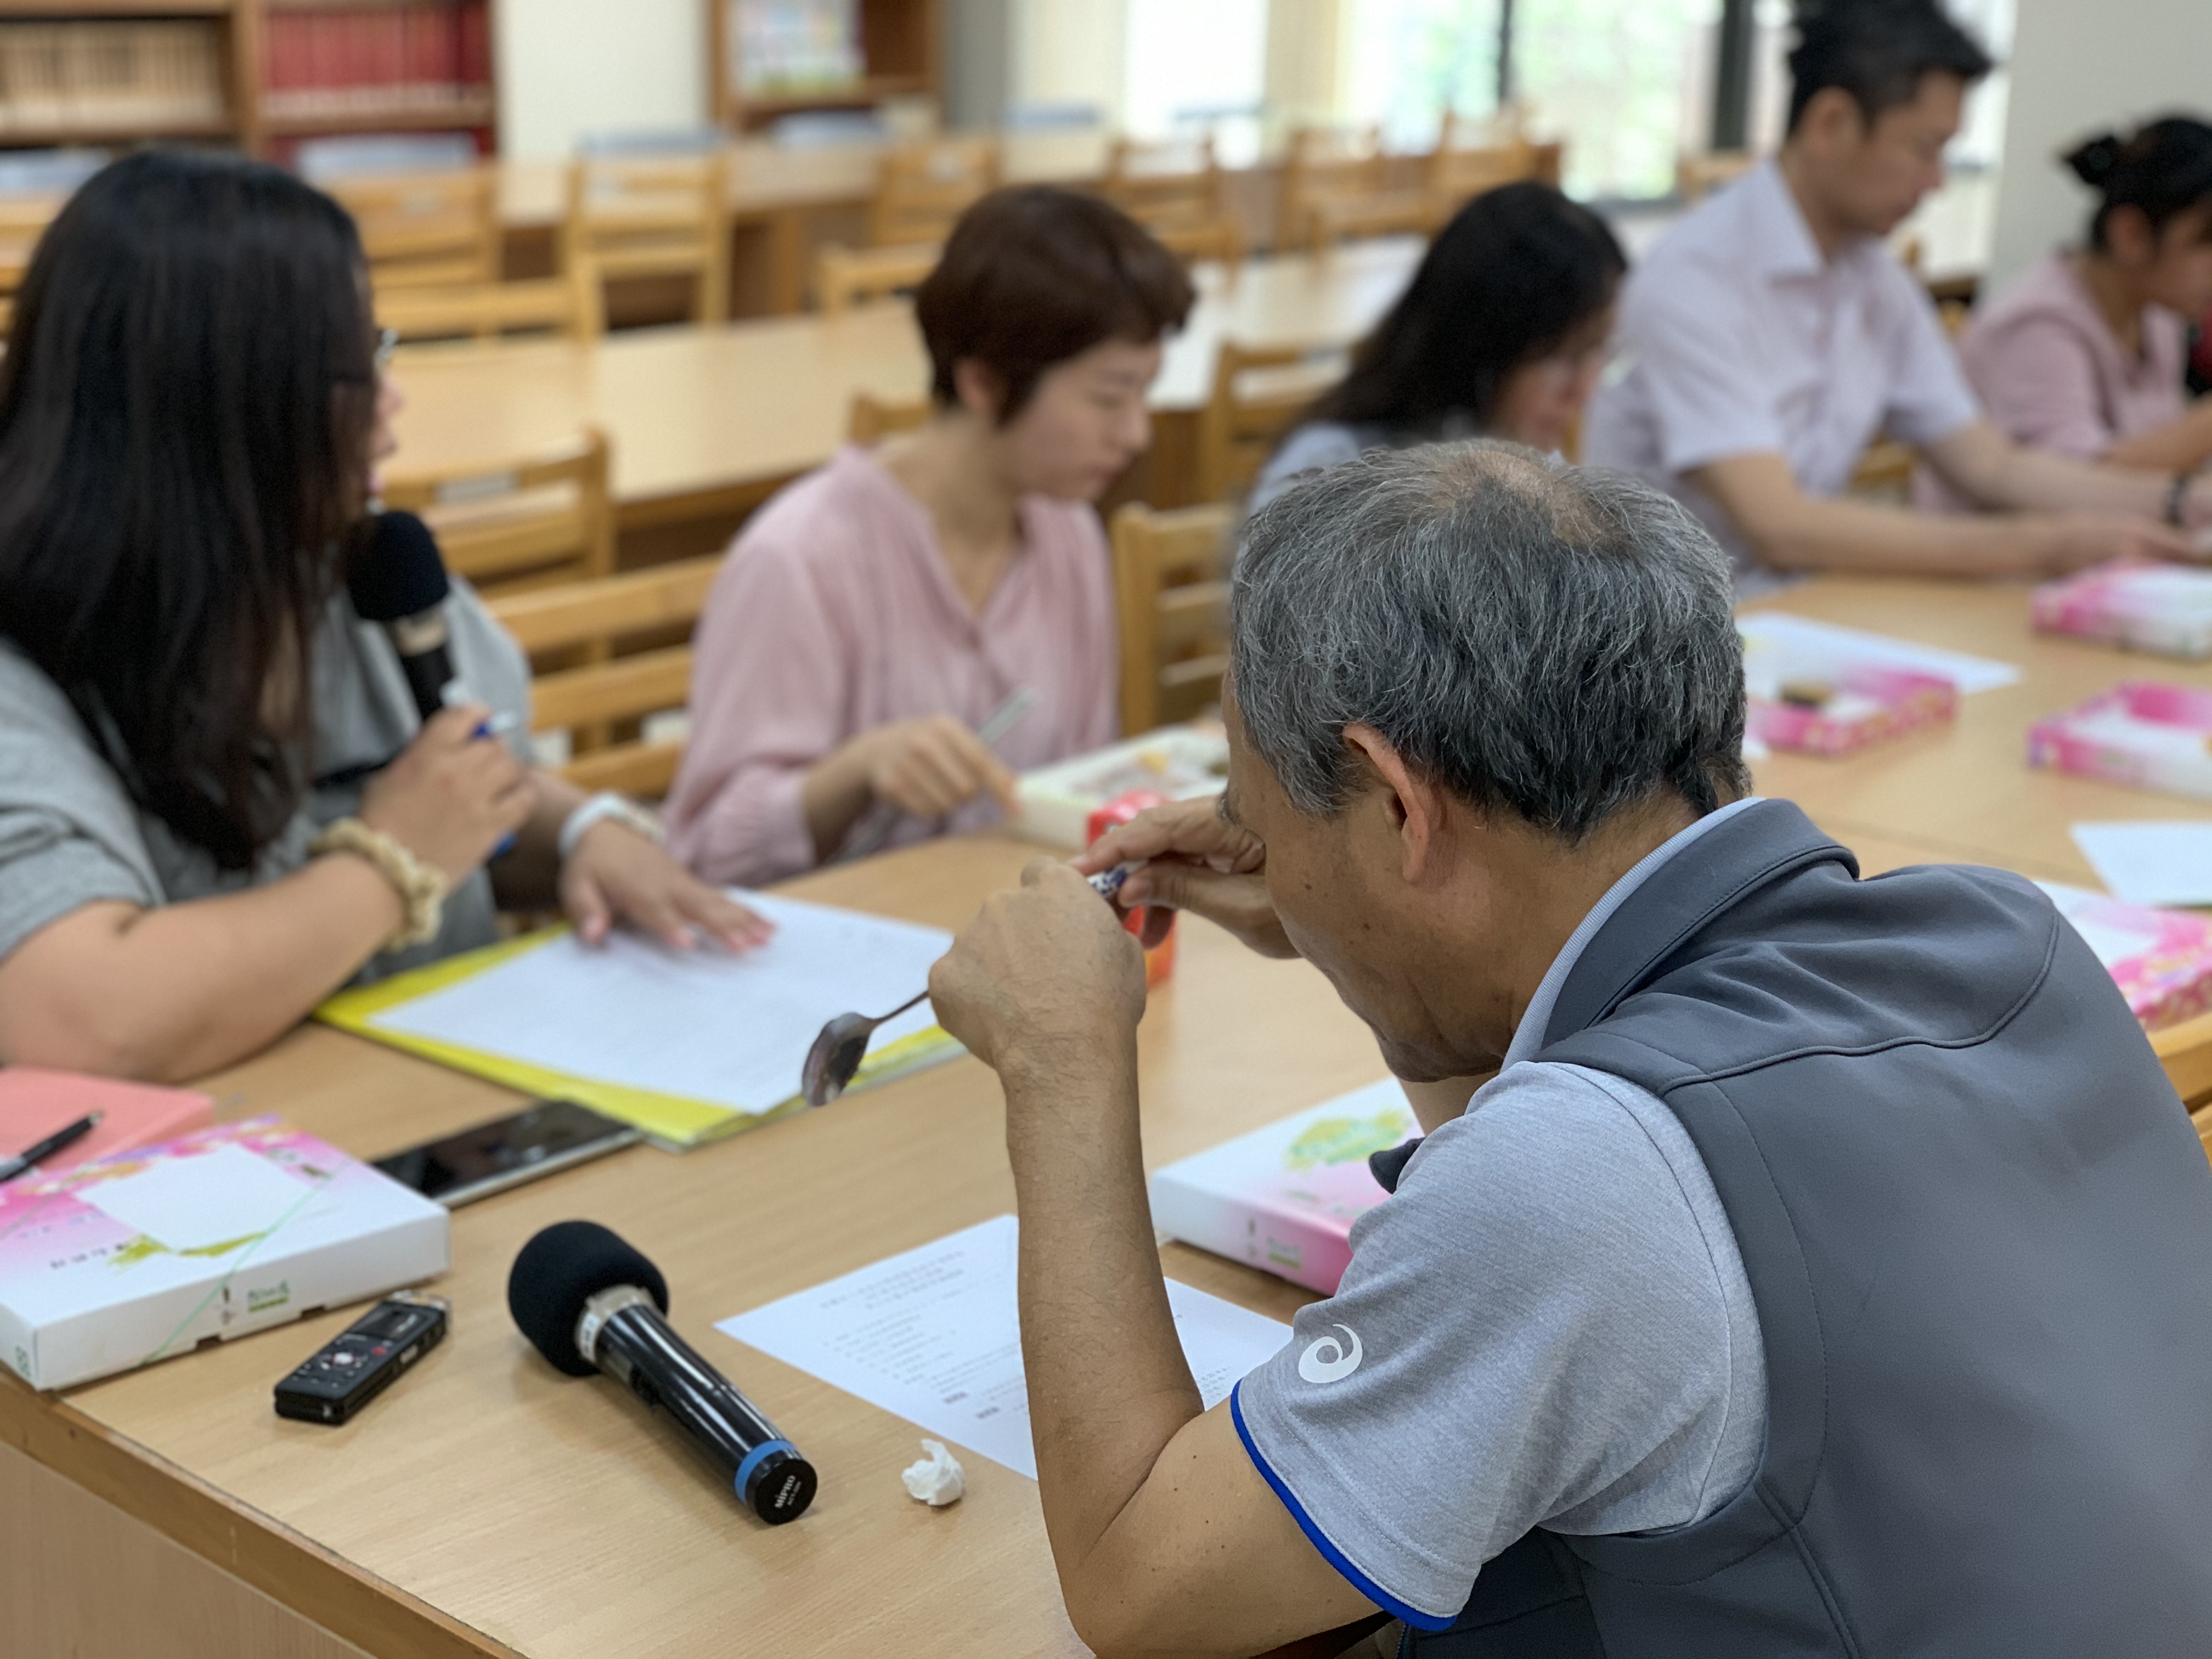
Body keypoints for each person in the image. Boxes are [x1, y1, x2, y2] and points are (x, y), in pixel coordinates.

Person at [924, 442, 2212, 1656]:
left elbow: (1144, 1586)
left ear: (1399, 806)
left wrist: (1062, 1063)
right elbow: (1564, 1176)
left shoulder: (1578, 1185)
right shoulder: (1999, 935)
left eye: (1267, 815)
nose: (1271, 859)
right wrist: (1345, 919)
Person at [0, 151, 766, 1084]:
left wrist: (581, 831)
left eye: (382, 348)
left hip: (435, 1120)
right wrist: (386, 864)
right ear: (222, 405)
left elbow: (455, 799)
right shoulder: (25, 665)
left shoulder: (352, 570)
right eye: (356, 364)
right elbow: (78, 1020)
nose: (391, 397)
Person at [665, 187, 1194, 887]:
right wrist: (854, 771)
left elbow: (1079, 789)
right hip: (850, 940)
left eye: (1144, 393)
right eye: (1108, 398)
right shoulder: (800, 557)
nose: (1136, 433)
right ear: (983, 382)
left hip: (1011, 923)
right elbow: (702, 854)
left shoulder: (1069, 532)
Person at [1583, 0, 2209, 588]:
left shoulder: (1874, 280)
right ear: (1831, 123)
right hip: (1661, 634)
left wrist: (2179, 500)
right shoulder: (1695, 277)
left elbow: (1989, 464)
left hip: (1794, 611)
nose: (1936, 182)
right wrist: (2047, 546)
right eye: (1924, 149)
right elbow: (1779, 526)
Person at [1250, 180, 1624, 510]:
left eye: (1598, 350)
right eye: (1562, 355)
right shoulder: (1332, 476)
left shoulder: (1529, 465)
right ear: (1482, 346)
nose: (1585, 390)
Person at [1920, 116, 2212, 507]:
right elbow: (2077, 486)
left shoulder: (2157, 315)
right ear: (2132, 235)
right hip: (1999, 544)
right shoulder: (2037, 325)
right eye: (2205, 244)